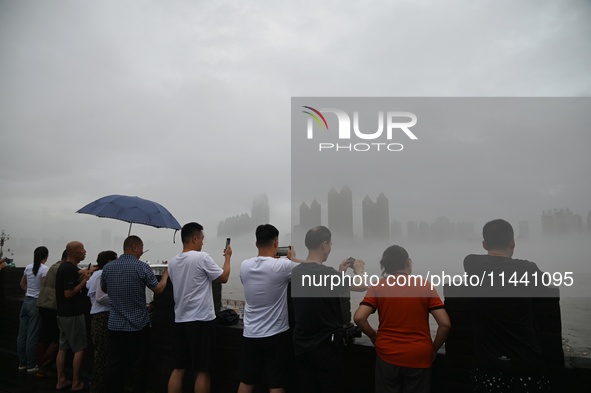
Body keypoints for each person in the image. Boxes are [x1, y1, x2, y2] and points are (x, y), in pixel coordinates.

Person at [463, 219, 550, 392]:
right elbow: (545, 281)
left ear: (484, 244)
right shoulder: (528, 269)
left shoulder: (471, 263)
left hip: (487, 369)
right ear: (513, 243)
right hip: (526, 367)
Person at [354, 245, 451, 393]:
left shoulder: (378, 287)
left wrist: (374, 336)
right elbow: (445, 324)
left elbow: (359, 318)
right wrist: (433, 349)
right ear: (408, 262)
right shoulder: (425, 286)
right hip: (419, 356)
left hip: (387, 355)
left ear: (386, 266)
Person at [290, 226, 368, 393]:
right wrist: (360, 270)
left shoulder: (296, 273)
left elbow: (314, 276)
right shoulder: (328, 275)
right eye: (330, 244)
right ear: (324, 244)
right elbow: (362, 286)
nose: (330, 248)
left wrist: (340, 272)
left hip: (301, 346)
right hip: (326, 349)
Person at [166, 222, 231, 393]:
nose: (202, 242)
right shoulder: (201, 257)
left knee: (179, 368)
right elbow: (223, 277)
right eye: (202, 238)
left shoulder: (172, 263)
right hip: (201, 320)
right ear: (194, 238)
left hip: (180, 319)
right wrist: (228, 257)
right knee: (203, 369)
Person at [101, 235, 169, 393]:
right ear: (134, 247)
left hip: (115, 325)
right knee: (138, 364)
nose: (142, 251)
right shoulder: (142, 267)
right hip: (137, 325)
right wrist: (164, 276)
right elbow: (158, 289)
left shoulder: (108, 268)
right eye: (141, 247)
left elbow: (105, 289)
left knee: (115, 364)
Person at [237, 224, 299, 393]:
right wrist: (292, 258)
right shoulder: (283, 266)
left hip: (250, 333)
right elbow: (311, 270)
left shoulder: (244, 265)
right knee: (276, 384)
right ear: (276, 244)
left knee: (246, 381)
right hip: (276, 334)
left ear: (256, 243)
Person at [55, 241, 92, 391]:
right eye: (81, 249)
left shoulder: (65, 267)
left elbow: (76, 273)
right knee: (80, 348)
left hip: (62, 313)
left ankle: (61, 379)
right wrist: (84, 282)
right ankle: (76, 383)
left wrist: (85, 273)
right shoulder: (68, 269)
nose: (84, 251)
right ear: (72, 252)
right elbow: (68, 293)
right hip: (72, 313)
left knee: (63, 346)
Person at [87, 250, 117, 393]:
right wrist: (119, 300)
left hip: (96, 316)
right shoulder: (102, 274)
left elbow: (89, 290)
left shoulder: (96, 274)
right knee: (103, 355)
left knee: (100, 353)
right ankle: (98, 387)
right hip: (102, 316)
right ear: (110, 261)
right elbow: (100, 297)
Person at [17, 246, 50, 373]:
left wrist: (29, 293)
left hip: (26, 302)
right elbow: (44, 287)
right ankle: (31, 365)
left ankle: (22, 363)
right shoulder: (45, 269)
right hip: (36, 303)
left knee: (22, 335)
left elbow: (22, 284)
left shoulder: (28, 267)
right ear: (46, 256)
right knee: (32, 334)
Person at [36, 249, 68, 377]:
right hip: (53, 305)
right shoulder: (64, 268)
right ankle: (44, 367)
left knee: (44, 336)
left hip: (43, 303)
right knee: (57, 337)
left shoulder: (54, 266)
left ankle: (40, 365)